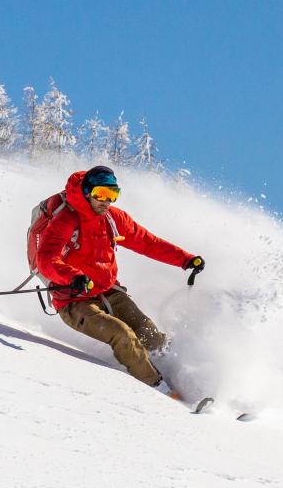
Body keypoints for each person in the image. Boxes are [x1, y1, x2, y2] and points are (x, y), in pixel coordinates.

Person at [36, 165, 205, 397]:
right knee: (122, 334)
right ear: (87, 192)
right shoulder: (66, 219)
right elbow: (46, 258)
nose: (106, 201)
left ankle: (182, 376)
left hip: (108, 291)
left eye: (112, 194)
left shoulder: (113, 219)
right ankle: (161, 391)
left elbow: (148, 243)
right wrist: (72, 277)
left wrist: (185, 259)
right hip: (74, 300)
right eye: (101, 194)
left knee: (148, 332)